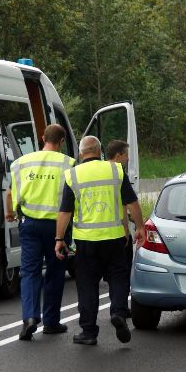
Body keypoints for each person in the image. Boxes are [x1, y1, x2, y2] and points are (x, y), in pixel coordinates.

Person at [54, 136, 144, 345]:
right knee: (118, 278)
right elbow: (132, 203)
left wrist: (59, 238)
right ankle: (119, 313)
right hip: (114, 239)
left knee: (87, 286)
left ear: (81, 153)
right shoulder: (115, 170)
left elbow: (65, 211)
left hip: (85, 242)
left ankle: (88, 332)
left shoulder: (72, 175)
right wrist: (139, 227)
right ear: (100, 151)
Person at [5, 124, 75, 340]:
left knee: (29, 272)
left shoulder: (21, 163)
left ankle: (29, 318)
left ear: (42, 137)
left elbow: (9, 193)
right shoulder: (69, 164)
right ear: (62, 141)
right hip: (58, 227)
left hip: (30, 225)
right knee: (54, 274)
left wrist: (10, 214)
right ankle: (51, 322)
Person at [105, 139, 136, 317]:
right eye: (126, 155)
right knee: (121, 273)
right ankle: (120, 309)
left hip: (95, 234)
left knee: (109, 275)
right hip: (117, 232)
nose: (127, 159)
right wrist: (132, 227)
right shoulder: (118, 173)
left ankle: (116, 306)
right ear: (118, 155)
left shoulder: (97, 173)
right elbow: (127, 205)